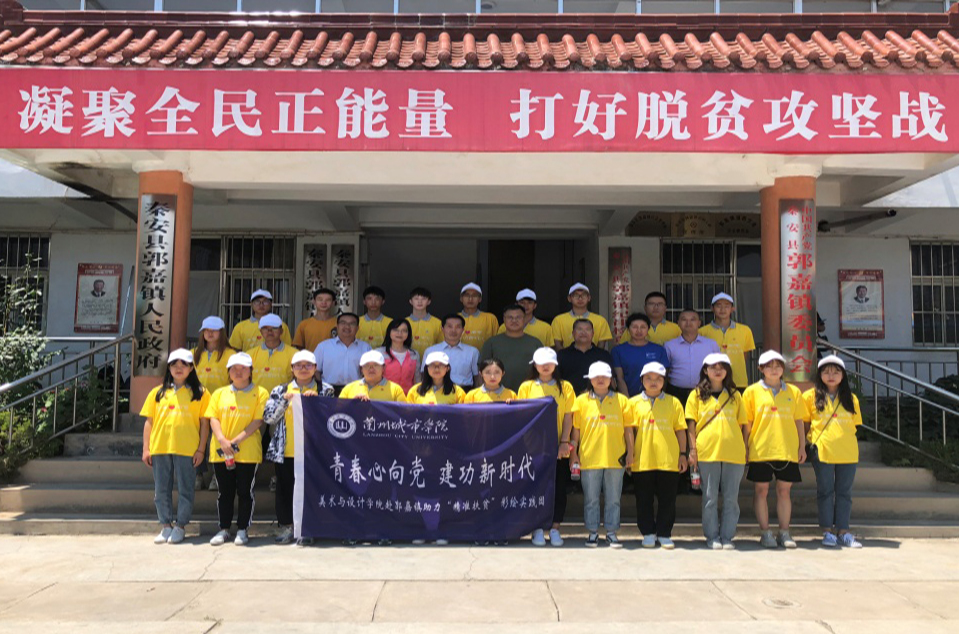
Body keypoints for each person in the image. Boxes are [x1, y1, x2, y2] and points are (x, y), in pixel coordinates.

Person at [263, 350, 334, 546]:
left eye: (308, 365)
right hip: (286, 450)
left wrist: (317, 401)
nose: (303, 369)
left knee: (312, 490)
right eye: (299, 366)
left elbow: (330, 418)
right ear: (292, 369)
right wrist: (284, 401)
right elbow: (269, 418)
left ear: (315, 368)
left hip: (314, 451)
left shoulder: (325, 389)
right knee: (285, 490)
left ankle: (310, 528)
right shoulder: (280, 389)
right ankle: (288, 527)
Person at [139, 349, 211, 545]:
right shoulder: (158, 393)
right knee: (161, 489)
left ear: (191, 368)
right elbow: (149, 422)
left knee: (186, 489)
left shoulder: (201, 393)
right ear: (168, 368)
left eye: (183, 365)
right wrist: (146, 448)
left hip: (188, 448)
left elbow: (204, 424)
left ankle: (180, 526)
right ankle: (165, 525)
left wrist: (201, 449)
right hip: (160, 447)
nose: (179, 368)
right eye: (174, 365)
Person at [743, 350, 808, 549]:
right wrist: (745, 447)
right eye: (769, 366)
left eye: (778, 365)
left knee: (784, 491)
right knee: (761, 490)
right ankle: (765, 532)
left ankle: (784, 532)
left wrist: (802, 446)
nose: (774, 369)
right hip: (760, 448)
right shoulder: (751, 392)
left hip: (787, 448)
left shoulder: (794, 392)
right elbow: (747, 423)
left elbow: (799, 421)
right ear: (760, 369)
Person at [205, 352, 269, 547]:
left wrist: (235, 441)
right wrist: (222, 440)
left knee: (245, 491)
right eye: (234, 368)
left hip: (247, 451)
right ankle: (224, 529)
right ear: (228, 371)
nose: (238, 372)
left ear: (251, 371)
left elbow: (258, 421)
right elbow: (213, 418)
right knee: (224, 492)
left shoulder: (260, 392)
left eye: (243, 368)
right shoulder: (219, 393)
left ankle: (242, 529)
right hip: (221, 451)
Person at [686, 353, 748, 550]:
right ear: (706, 370)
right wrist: (692, 450)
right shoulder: (696, 395)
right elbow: (691, 425)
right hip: (707, 451)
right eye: (713, 367)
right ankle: (712, 536)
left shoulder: (735, 395)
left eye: (722, 367)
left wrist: (745, 447)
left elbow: (743, 425)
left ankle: (727, 536)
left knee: (731, 498)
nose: (718, 370)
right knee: (710, 497)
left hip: (733, 452)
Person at [569, 361, 633, 548]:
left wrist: (630, 452)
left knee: (614, 499)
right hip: (589, 457)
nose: (600, 379)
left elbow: (628, 429)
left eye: (604, 376)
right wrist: (574, 454)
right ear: (589, 379)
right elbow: (576, 429)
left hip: (615, 457)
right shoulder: (581, 401)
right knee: (591, 499)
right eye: (596, 376)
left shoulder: (622, 401)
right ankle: (592, 532)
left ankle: (612, 533)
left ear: (611, 379)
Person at [517, 347, 575, 547]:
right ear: (534, 365)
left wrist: (564, 442)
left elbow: (568, 416)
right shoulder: (526, 387)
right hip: (533, 447)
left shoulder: (565, 387)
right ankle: (538, 528)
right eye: (541, 363)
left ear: (555, 365)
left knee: (558, 488)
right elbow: (521, 416)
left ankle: (555, 528)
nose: (545, 366)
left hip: (557, 446)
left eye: (549, 362)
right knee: (536, 487)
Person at [804, 355, 864, 549]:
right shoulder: (810, 397)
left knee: (844, 492)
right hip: (823, 451)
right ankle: (827, 531)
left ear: (843, 375)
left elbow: (855, 425)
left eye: (836, 371)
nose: (831, 375)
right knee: (825, 491)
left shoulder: (851, 398)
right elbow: (804, 423)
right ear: (819, 374)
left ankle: (843, 532)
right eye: (826, 371)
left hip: (848, 452)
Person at [629, 361, 688, 549]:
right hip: (642, 459)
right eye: (649, 378)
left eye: (658, 378)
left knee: (667, 499)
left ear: (664, 381)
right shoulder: (633, 403)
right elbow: (629, 432)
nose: (653, 382)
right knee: (643, 499)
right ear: (642, 380)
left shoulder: (674, 402)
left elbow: (680, 430)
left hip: (668, 459)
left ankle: (664, 533)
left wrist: (683, 454)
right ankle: (647, 533)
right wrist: (629, 455)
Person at [193, 316, 236, 491]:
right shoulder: (194, 353)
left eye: (214, 330)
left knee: (217, 440)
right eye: (206, 330)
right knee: (197, 440)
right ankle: (198, 475)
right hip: (198, 402)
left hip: (221, 403)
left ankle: (216, 476)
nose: (210, 333)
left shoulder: (231, 354)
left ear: (222, 332)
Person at [699, 293, 756, 390]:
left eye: (726, 306)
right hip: (712, 382)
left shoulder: (745, 330)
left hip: (738, 381)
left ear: (732, 309)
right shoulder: (702, 332)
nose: (722, 309)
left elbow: (744, 355)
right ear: (712, 308)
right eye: (718, 306)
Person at [480, 304, 541, 392]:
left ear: (524, 319)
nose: (514, 320)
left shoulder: (535, 343)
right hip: (497, 394)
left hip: (530, 393)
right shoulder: (491, 342)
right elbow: (482, 369)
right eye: (510, 317)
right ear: (504, 319)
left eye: (518, 317)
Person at [664, 309, 720, 404]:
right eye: (684, 319)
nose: (688, 323)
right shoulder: (669, 345)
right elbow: (665, 370)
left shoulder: (711, 344)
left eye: (693, 320)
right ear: (678, 323)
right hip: (676, 392)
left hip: (704, 391)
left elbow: (718, 367)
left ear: (699, 323)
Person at [612, 313, 670, 397]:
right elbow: (619, 378)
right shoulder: (618, 351)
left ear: (648, 329)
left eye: (643, 327)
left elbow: (664, 376)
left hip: (654, 398)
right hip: (628, 397)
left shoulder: (659, 350)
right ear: (628, 329)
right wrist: (627, 401)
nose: (639, 331)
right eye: (635, 327)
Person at [314, 312, 371, 395]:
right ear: (337, 326)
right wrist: (322, 386)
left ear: (357, 328)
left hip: (356, 391)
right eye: (343, 323)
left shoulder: (365, 348)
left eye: (352, 324)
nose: (347, 327)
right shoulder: (323, 346)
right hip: (329, 392)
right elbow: (315, 370)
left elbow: (370, 371)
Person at [556, 319, 614, 395]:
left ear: (593, 333)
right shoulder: (562, 355)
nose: (583, 332)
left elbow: (611, 381)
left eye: (587, 329)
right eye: (579, 329)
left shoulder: (603, 355)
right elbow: (556, 380)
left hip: (597, 399)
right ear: (573, 333)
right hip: (568, 398)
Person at [423, 314, 480, 392]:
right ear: (442, 329)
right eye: (449, 326)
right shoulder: (430, 351)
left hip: (464, 392)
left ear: (463, 330)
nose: (453, 330)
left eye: (458, 327)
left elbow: (477, 377)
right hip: (436, 392)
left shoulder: (472, 352)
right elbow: (423, 375)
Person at [551, 283, 613, 350]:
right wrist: (567, 355)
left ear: (589, 298)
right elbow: (557, 345)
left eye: (583, 295)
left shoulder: (601, 321)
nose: (580, 298)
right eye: (576, 295)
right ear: (569, 298)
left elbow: (601, 346)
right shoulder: (558, 320)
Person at [248, 314, 297, 394]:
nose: (270, 332)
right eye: (265, 328)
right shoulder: (250, 354)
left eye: (274, 328)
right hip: (256, 398)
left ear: (281, 331)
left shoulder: (294, 354)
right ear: (260, 331)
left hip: (284, 398)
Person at [340, 350, 408, 402]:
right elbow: (338, 410)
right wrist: (352, 403)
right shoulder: (349, 388)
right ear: (361, 369)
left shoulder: (396, 390)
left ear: (383, 368)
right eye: (367, 365)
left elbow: (403, 412)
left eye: (376, 365)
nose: (371, 369)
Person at [377, 318, 421, 393]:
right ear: (389, 332)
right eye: (395, 330)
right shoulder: (379, 353)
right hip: (383, 396)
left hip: (407, 397)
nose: (399, 333)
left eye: (404, 331)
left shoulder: (414, 354)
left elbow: (417, 380)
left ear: (408, 334)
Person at [459, 282, 499, 351]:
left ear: (480, 299)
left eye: (474, 296)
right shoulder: (454, 319)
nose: (470, 299)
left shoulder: (490, 319)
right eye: (467, 295)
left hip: (484, 357)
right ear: (461, 298)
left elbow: (497, 343)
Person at [407, 286, 444, 360]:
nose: (419, 302)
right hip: (409, 363)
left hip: (431, 363)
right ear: (410, 301)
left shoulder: (438, 323)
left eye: (423, 298)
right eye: (416, 298)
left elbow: (442, 346)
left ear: (429, 301)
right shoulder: (404, 323)